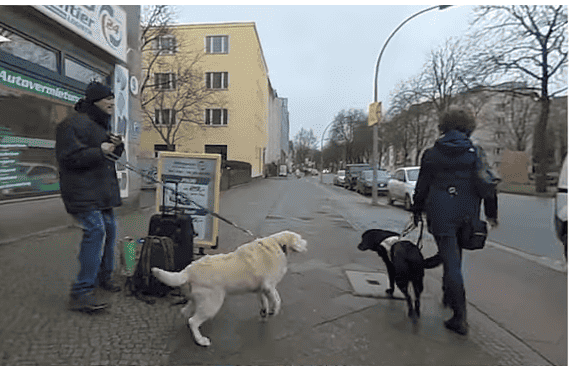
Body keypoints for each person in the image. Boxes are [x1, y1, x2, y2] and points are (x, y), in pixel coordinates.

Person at [411, 108, 498, 335]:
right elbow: (488, 184)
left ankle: (460, 317)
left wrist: (416, 209)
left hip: (440, 211)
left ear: (443, 126)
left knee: (451, 260)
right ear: (467, 126)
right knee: (454, 259)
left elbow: (422, 186)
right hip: (468, 213)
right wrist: (491, 213)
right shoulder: (475, 152)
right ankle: (449, 297)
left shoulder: (431, 153)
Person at [56, 81, 124, 312]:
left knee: (111, 229)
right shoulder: (71, 124)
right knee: (96, 231)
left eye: (114, 99)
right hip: (82, 191)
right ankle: (81, 292)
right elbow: (68, 158)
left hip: (101, 192)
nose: (112, 103)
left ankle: (104, 278)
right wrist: (100, 150)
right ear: (94, 101)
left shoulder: (99, 124)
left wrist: (117, 146)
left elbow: (109, 158)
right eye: (108, 99)